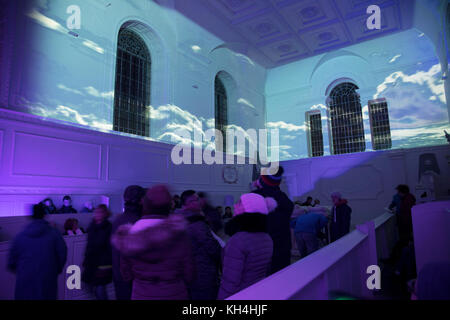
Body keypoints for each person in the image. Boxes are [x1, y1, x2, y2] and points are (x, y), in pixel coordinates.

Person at [112, 185, 194, 300]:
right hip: (174, 293)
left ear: (145, 205)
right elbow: (189, 273)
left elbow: (126, 274)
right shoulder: (180, 234)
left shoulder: (130, 234)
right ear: (169, 206)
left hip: (141, 293)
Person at [218, 193, 274, 299]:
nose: (235, 206)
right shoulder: (267, 238)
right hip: (257, 291)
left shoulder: (238, 240)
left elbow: (230, 281)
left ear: (248, 210)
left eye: (239, 203)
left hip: (240, 294)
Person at [8, 203, 67, 300]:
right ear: (44, 215)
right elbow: (62, 254)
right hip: (47, 279)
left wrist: (21, 271)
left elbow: (11, 262)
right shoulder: (54, 234)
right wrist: (55, 269)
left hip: (25, 281)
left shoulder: (20, 236)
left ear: (30, 216)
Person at [179, 190, 222, 300]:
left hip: (188, 272)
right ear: (184, 205)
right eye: (193, 200)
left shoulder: (180, 220)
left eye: (197, 199)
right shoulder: (197, 223)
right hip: (202, 273)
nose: (198, 202)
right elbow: (213, 248)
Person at [253, 166, 294, 274]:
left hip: (261, 250)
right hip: (283, 249)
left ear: (263, 180)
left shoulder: (254, 198)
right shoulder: (286, 201)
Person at [111, 185, 145, 300]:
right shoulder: (140, 222)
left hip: (119, 275)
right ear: (141, 200)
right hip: (135, 279)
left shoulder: (118, 220)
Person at [82, 204, 113, 300]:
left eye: (100, 212)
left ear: (105, 214)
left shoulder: (108, 227)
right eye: (96, 212)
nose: (97, 214)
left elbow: (103, 244)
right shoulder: (92, 226)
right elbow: (89, 245)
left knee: (100, 288)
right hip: (91, 261)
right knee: (89, 286)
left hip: (102, 263)